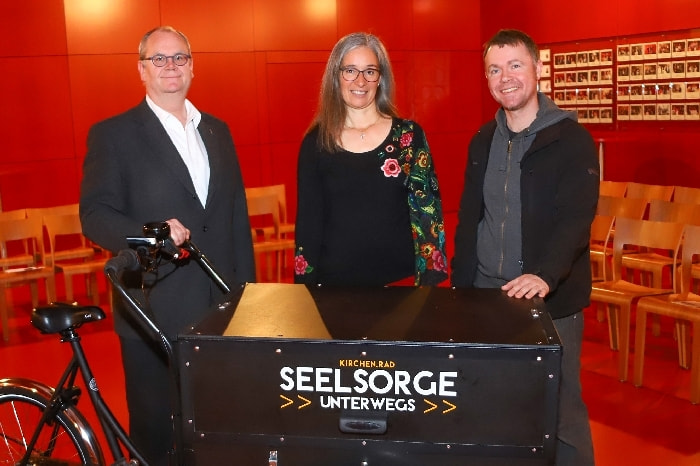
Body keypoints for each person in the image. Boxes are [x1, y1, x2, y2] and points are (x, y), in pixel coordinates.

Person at [80, 26, 255, 465]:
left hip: (220, 308)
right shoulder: (113, 135)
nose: (170, 66)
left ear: (192, 67)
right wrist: (150, 232)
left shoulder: (217, 130)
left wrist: (248, 299)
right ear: (141, 69)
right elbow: (95, 216)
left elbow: (235, 217)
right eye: (158, 59)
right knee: (157, 438)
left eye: (179, 57)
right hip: (153, 309)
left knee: (219, 429)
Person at [451, 29, 598, 466]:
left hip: (549, 301)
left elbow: (576, 220)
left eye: (515, 65)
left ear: (537, 68)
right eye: (494, 70)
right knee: (491, 406)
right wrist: (460, 287)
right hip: (486, 298)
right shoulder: (482, 140)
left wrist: (545, 275)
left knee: (562, 413)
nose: (506, 78)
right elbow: (469, 218)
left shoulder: (571, 140)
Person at [294, 32, 447, 287]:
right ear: (336, 77)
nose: (360, 80)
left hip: (403, 286)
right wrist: (304, 293)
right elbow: (308, 226)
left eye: (370, 71)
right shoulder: (316, 143)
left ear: (381, 78)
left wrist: (429, 288)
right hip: (335, 290)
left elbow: (429, 215)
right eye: (350, 71)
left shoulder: (409, 137)